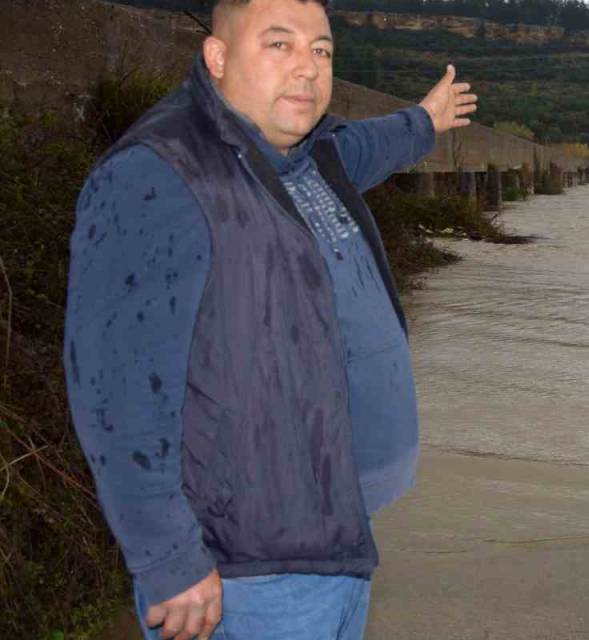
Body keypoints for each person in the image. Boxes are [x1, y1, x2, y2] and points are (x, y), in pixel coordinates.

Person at [62, 0, 476, 638]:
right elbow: (115, 390)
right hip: (251, 565)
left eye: (322, 50)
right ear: (217, 56)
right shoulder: (161, 173)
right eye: (279, 45)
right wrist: (167, 559)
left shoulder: (310, 157)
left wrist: (425, 120)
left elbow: (372, 144)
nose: (307, 67)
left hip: (333, 533)